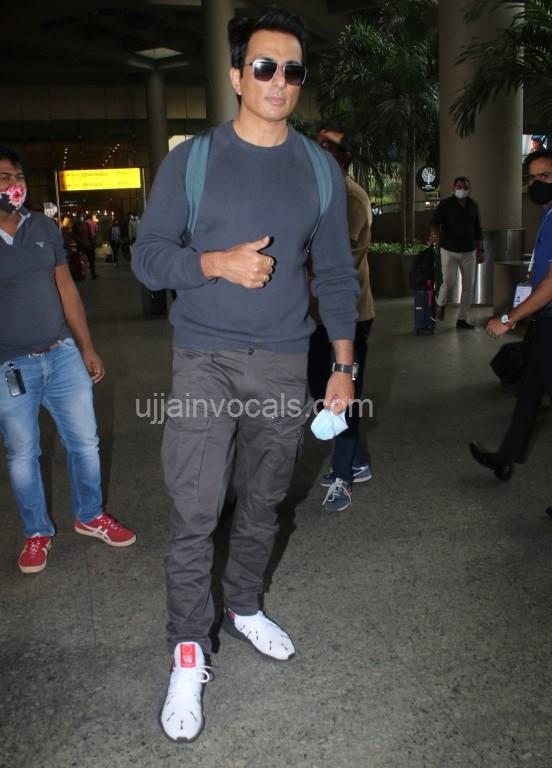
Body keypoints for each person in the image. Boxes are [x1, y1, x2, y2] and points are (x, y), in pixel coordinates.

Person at [131, 8, 359, 744]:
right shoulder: (192, 161)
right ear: (236, 75)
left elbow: (336, 275)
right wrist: (216, 264)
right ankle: (187, 648)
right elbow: (147, 257)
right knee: (197, 507)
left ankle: (245, 605)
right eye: (264, 67)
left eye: (292, 70)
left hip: (286, 362)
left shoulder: (319, 170)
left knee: (264, 500)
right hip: (205, 357)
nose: (278, 81)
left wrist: (344, 367)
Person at [0, 146, 136, 574]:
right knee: (23, 454)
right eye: (4, 178)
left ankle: (90, 515)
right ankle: (37, 533)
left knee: (85, 443)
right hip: (11, 366)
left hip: (61, 354)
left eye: (17, 176)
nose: (14, 185)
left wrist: (86, 346)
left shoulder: (42, 226)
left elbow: (66, 289)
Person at [470, 148, 552, 480]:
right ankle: (505, 458)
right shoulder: (548, 214)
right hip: (545, 320)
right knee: (530, 390)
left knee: (532, 389)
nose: (537, 184)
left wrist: (509, 318)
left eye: (545, 176)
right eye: (532, 178)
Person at [308, 123, 374, 512]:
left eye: (327, 147)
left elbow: (332, 262)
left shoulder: (349, 198)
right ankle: (358, 461)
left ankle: (344, 477)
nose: (318, 151)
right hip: (318, 316)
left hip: (348, 317)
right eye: (315, 144)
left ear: (345, 157)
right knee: (322, 390)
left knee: (341, 395)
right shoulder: (322, 193)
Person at [428, 176, 484, 329]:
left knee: (468, 286)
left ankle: (462, 318)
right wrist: (433, 234)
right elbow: (435, 221)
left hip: (469, 252)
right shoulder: (446, 204)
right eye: (459, 187)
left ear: (469, 189)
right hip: (449, 250)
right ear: (453, 189)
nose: (462, 190)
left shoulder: (473, 205)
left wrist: (480, 250)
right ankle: (440, 304)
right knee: (449, 281)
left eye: (465, 187)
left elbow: (477, 229)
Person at [80, 213, 98, 278]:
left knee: (83, 258)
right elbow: (96, 231)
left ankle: (83, 273)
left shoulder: (83, 224)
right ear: (91, 217)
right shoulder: (93, 223)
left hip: (85, 243)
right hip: (89, 243)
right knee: (91, 259)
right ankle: (93, 273)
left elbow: (82, 233)